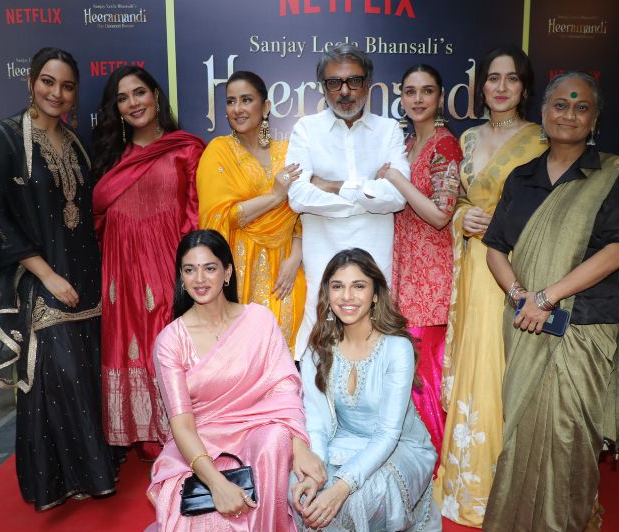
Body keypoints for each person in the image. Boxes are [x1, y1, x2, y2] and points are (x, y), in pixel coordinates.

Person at [434, 46, 619, 527]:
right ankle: (474, 484)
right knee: (478, 368)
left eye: (511, 78)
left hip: (530, 271)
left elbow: (587, 191)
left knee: (516, 369)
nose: (501, 87)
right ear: (481, 87)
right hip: (481, 265)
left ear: (526, 88)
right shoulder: (466, 139)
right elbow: (456, 202)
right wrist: (464, 217)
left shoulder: (542, 136)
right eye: (493, 78)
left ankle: (521, 485)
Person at [481, 72, 619, 532]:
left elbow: (617, 251)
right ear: (544, 113)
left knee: (569, 431)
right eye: (560, 105)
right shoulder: (522, 177)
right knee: (524, 425)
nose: (569, 115)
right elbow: (495, 248)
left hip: (585, 322)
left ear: (595, 120)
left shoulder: (611, 176)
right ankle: (511, 524)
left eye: (581, 108)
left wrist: (547, 297)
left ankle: (559, 531)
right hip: (528, 321)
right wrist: (521, 297)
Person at [123, 230, 322, 532]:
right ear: (181, 277)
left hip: (256, 434)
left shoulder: (259, 321)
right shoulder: (171, 341)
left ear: (228, 272)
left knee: (275, 438)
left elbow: (283, 387)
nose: (199, 279)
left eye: (210, 268)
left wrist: (300, 447)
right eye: (190, 270)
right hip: (200, 446)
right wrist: (216, 484)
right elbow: (182, 425)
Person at [0, 47, 117, 510]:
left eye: (67, 86)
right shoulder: (4, 140)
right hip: (41, 282)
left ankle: (92, 476)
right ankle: (54, 483)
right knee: (57, 377)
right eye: (48, 82)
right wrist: (48, 275)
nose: (57, 93)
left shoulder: (76, 143)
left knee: (86, 376)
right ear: (31, 81)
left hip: (87, 282)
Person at [294, 248, 444, 532]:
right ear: (326, 293)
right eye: (337, 286)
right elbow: (316, 421)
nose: (347, 297)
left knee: (360, 497)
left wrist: (340, 486)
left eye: (358, 286)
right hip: (343, 440)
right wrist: (317, 472)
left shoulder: (396, 348)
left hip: (399, 446)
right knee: (298, 485)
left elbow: (388, 434)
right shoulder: (318, 347)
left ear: (375, 293)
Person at [91, 65, 204, 458]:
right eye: (122, 98)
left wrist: (189, 272)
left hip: (169, 267)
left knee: (169, 345)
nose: (133, 103)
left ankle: (182, 432)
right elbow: (98, 221)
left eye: (139, 92)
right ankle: (145, 431)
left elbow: (196, 216)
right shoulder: (109, 158)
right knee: (131, 344)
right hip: (121, 273)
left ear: (156, 95)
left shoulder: (186, 149)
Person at [286, 44, 409, 359]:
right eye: (334, 83)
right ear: (322, 87)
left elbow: (398, 197)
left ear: (368, 84)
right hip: (322, 254)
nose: (344, 91)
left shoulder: (388, 130)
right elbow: (298, 196)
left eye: (353, 81)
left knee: (376, 339)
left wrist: (332, 186)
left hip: (375, 253)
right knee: (320, 339)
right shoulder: (306, 130)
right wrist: (368, 193)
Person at [380, 64, 462, 458]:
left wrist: (397, 180)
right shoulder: (408, 143)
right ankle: (414, 464)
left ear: (440, 97)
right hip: (405, 275)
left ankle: (434, 467)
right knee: (408, 377)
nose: (417, 99)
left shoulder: (445, 145)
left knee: (424, 378)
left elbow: (441, 214)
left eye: (427, 91)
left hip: (432, 280)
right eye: (410, 91)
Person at [197, 71, 305, 353]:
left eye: (246, 100)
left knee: (283, 354)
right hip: (239, 264)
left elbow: (303, 213)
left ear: (265, 107)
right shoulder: (218, 151)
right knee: (241, 354)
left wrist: (296, 257)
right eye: (231, 101)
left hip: (286, 268)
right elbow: (222, 217)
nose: (237, 108)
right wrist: (275, 196)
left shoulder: (288, 152)